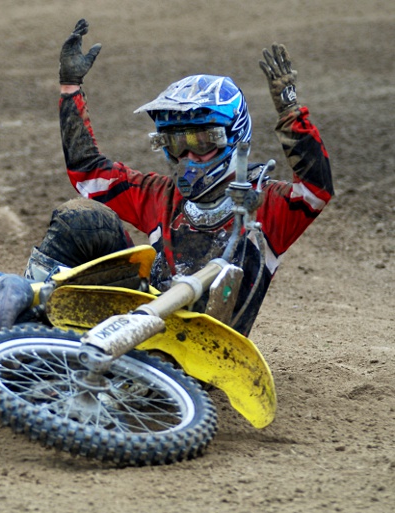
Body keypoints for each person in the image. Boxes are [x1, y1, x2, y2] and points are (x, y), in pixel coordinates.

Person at [24, 19, 334, 336]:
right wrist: (70, 89)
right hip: (142, 326)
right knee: (81, 220)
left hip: (207, 349)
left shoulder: (263, 205)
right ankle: (26, 327)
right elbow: (88, 174)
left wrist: (290, 112)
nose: (189, 156)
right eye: (177, 144)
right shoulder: (162, 195)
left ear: (233, 136)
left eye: (202, 142)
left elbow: (316, 190)